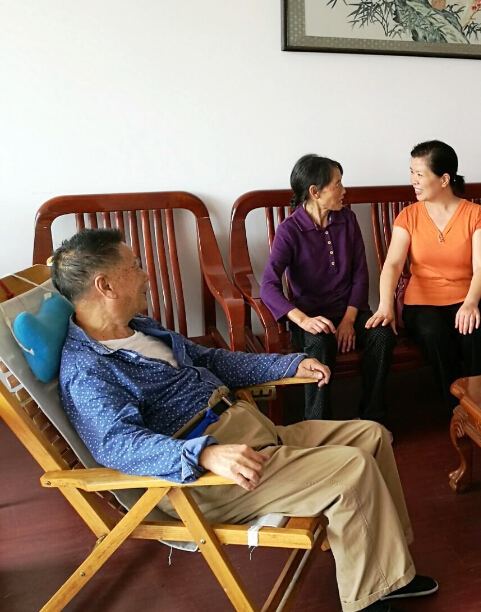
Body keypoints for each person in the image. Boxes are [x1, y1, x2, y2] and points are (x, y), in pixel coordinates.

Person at [53, 229, 436, 612]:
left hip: (248, 430)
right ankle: (367, 601)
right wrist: (203, 455)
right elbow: (117, 444)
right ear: (105, 285)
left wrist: (288, 364)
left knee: (371, 436)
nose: (145, 275)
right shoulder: (87, 370)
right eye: (135, 266)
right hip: (211, 476)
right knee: (351, 470)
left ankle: (389, 574)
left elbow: (211, 360)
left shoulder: (141, 327)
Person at [260, 154, 394, 423]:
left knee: (382, 334)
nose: (344, 191)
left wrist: (349, 320)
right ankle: (318, 426)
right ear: (315, 192)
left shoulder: (347, 220)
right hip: (312, 318)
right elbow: (268, 285)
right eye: (337, 184)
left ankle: (372, 418)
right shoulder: (290, 230)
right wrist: (303, 320)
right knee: (319, 344)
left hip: (349, 313)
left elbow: (360, 273)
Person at [366, 140, 481, 406]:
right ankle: (456, 409)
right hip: (421, 303)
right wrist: (385, 305)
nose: (414, 180)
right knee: (433, 332)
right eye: (412, 172)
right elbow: (393, 264)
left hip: (465, 298)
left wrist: (471, 302)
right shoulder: (408, 215)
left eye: (420, 174)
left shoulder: (475, 214)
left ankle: (480, 408)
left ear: (444, 179)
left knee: (474, 333)